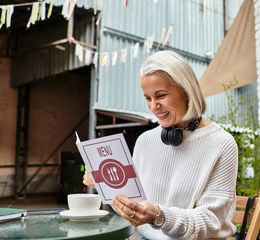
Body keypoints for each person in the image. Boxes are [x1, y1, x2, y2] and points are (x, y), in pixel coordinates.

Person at [83, 50, 238, 240]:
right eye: (148, 98)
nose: (153, 106)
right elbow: (133, 207)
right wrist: (105, 186)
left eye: (161, 95)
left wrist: (160, 216)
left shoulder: (221, 143)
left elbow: (211, 222)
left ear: (186, 92)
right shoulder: (145, 141)